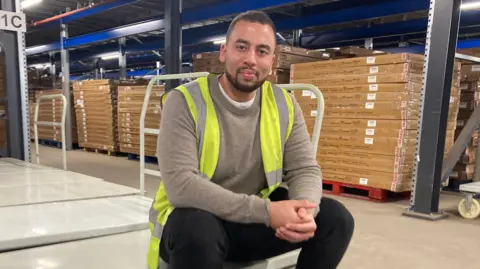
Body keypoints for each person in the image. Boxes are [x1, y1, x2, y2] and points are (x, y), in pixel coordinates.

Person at [147, 10, 354, 269]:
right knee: (195, 227)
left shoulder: (283, 104)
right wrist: (267, 212)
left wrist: (304, 213)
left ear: (272, 61)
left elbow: (305, 168)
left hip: (250, 224)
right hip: (200, 224)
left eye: (262, 51)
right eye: (241, 47)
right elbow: (182, 185)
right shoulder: (185, 102)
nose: (250, 60)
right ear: (224, 52)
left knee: (336, 219)